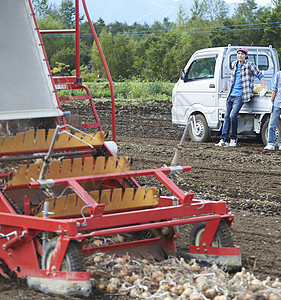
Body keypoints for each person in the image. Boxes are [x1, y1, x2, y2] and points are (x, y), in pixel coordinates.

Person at [216, 47, 266, 147]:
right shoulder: (234, 64)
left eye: (242, 54)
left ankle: (233, 139)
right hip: (231, 94)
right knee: (226, 116)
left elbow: (260, 75)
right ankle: (223, 139)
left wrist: (263, 88)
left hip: (240, 95)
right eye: (238, 54)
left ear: (246, 55)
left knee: (233, 115)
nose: (240, 55)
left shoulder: (249, 65)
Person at [264, 71, 281, 150]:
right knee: (272, 124)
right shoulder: (278, 74)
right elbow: (274, 89)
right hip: (277, 103)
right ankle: (270, 143)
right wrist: (271, 102)